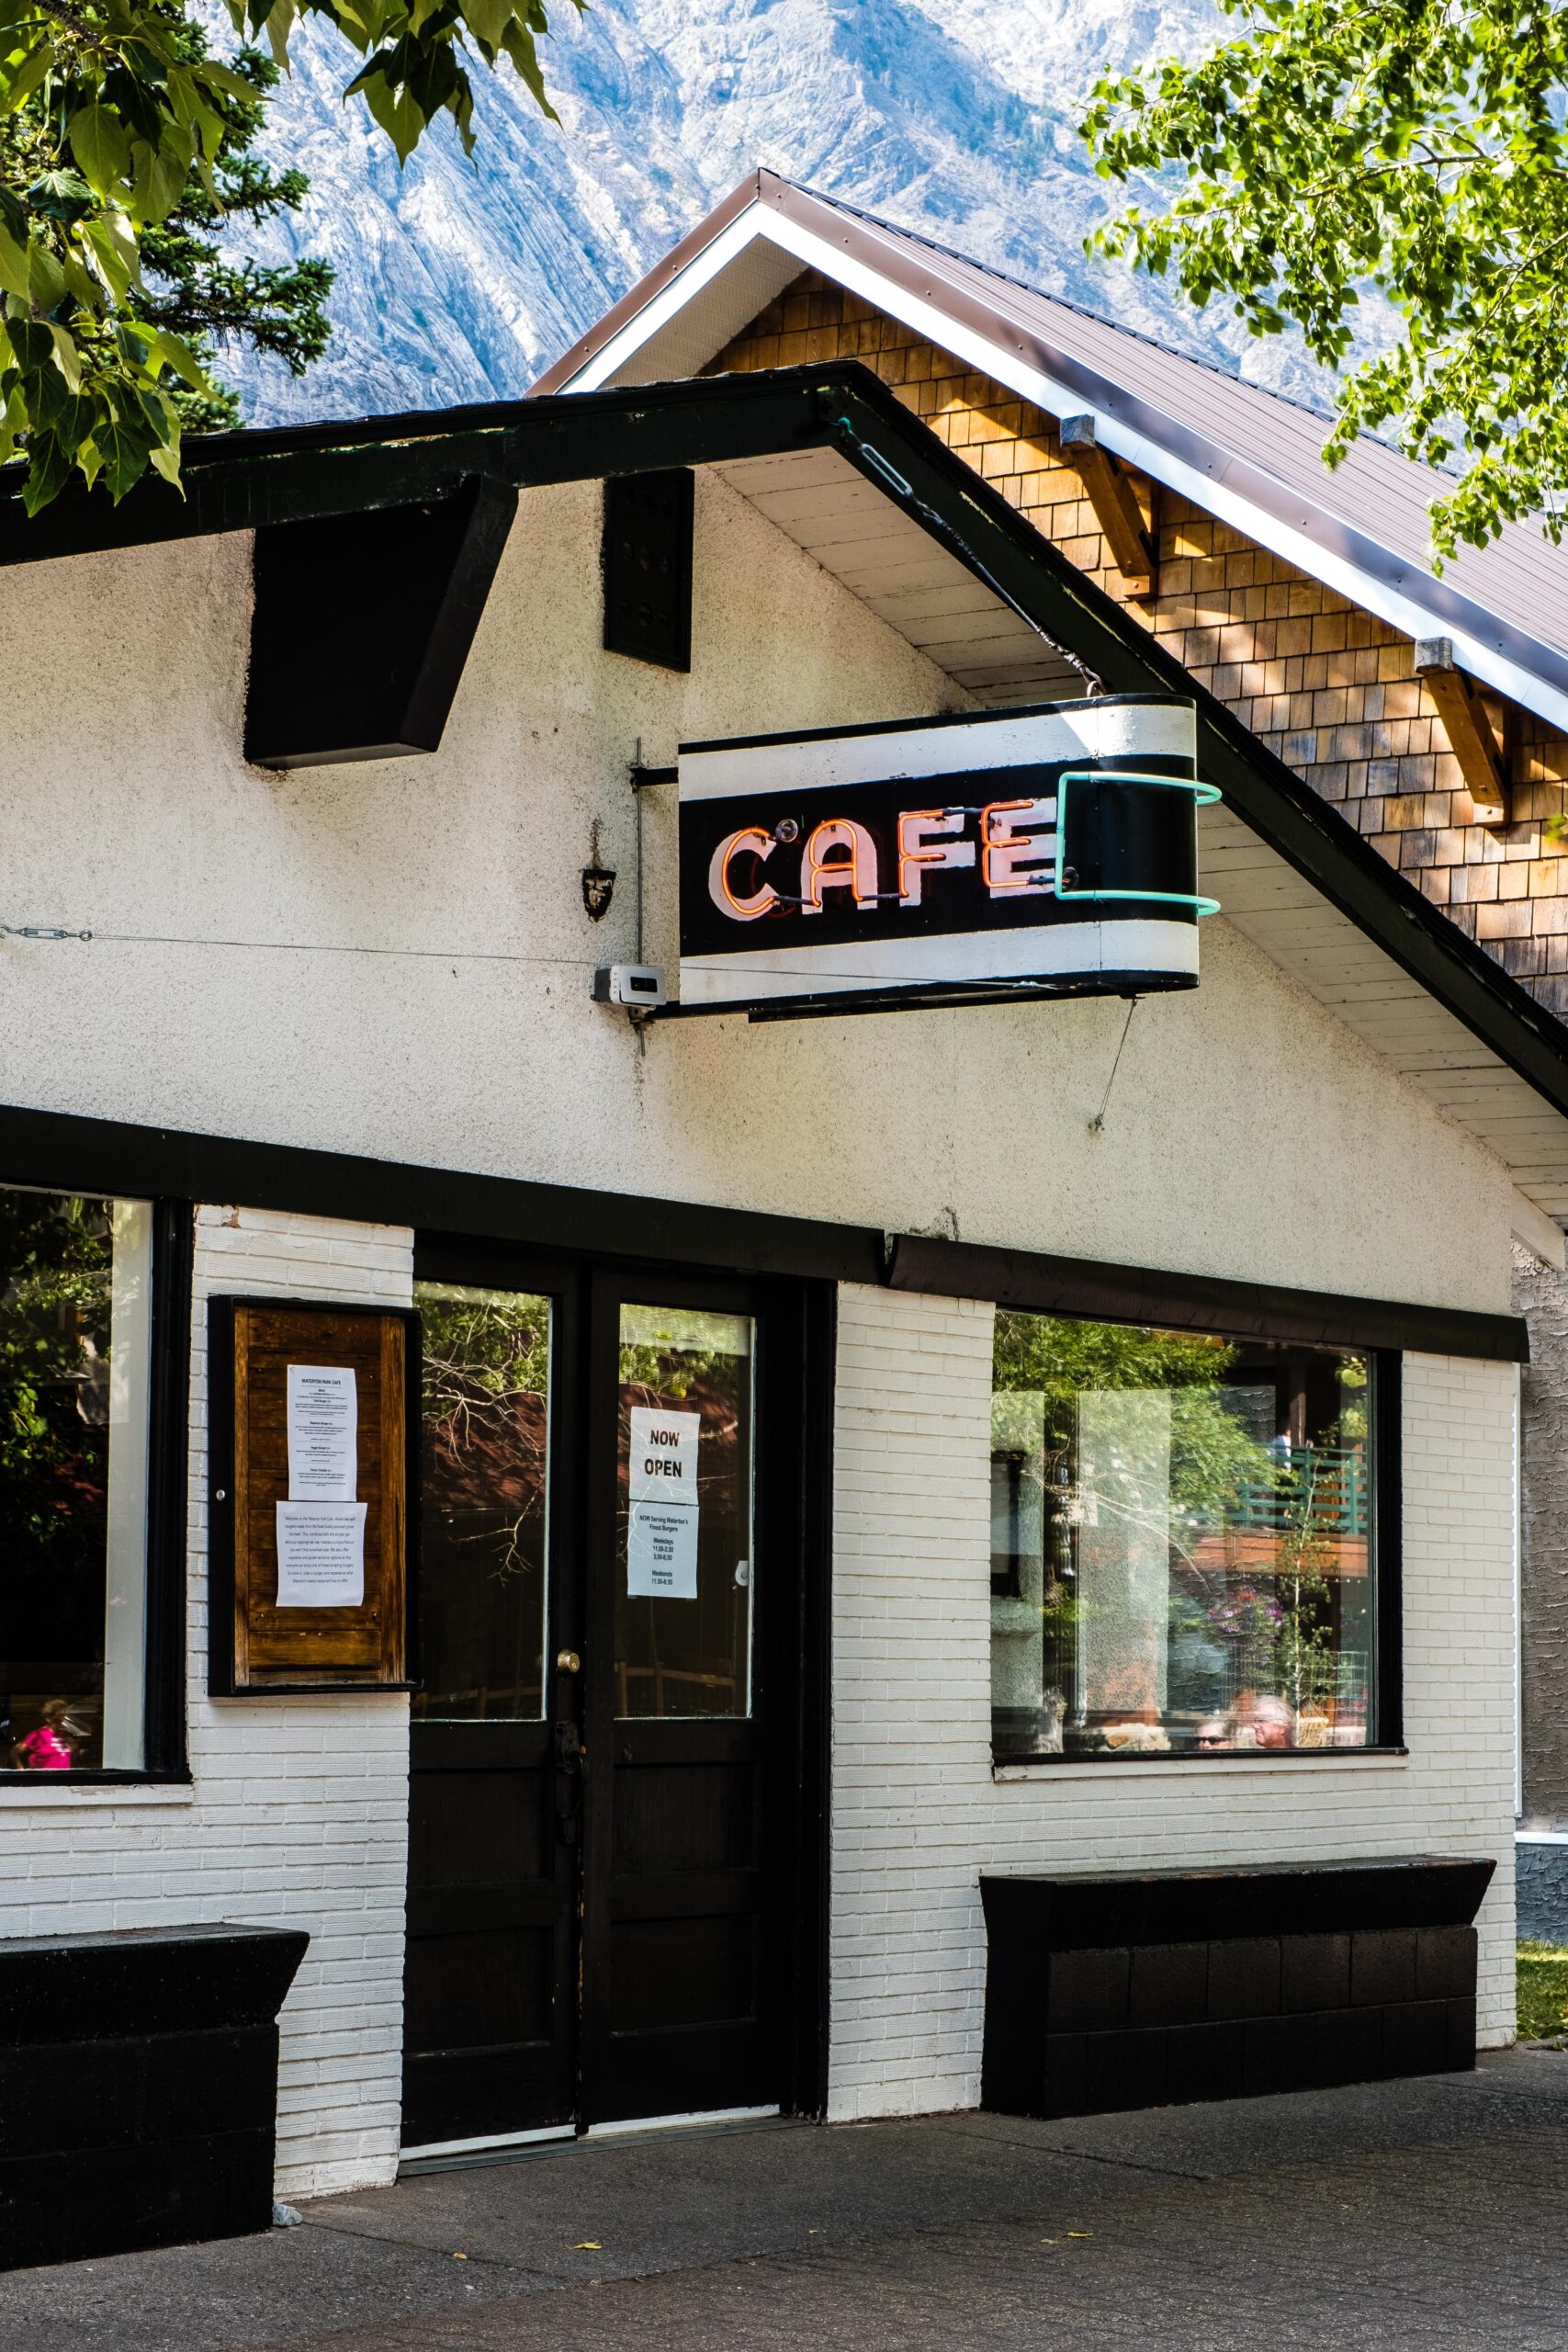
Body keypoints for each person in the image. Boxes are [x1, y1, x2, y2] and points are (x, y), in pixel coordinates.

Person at [15, 1701, 85, 1770]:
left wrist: (75, 1750)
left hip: (64, 1779)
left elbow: (69, 1759)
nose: (62, 1722)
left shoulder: (64, 1735)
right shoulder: (38, 1734)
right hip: (44, 1780)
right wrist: (21, 1771)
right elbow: (14, 1752)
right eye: (58, 1719)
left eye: (64, 1718)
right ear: (48, 1718)